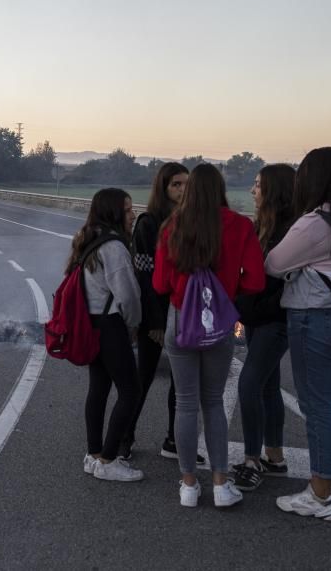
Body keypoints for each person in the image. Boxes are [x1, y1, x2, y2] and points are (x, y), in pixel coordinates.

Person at [265, 146, 331, 522]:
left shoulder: (315, 223)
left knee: (317, 406)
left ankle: (320, 493)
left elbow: (274, 264)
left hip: (315, 319)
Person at [153, 164, 265, 508]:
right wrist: (227, 290)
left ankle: (188, 485)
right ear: (220, 189)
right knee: (213, 402)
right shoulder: (240, 225)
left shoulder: (171, 226)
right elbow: (256, 282)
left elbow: (159, 284)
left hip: (179, 321)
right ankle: (220, 483)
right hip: (220, 321)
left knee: (185, 403)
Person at [123, 162, 204, 466]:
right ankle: (124, 438)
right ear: (163, 188)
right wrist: (154, 322)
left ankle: (173, 439)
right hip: (155, 314)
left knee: (182, 384)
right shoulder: (148, 224)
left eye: (186, 184)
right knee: (141, 378)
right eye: (176, 185)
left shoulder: (191, 222)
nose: (182, 190)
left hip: (184, 312)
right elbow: (144, 278)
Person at [231, 164, 296, 492]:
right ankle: (275, 457)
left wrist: (249, 309)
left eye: (258, 185)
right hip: (255, 320)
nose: (252, 191)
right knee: (269, 388)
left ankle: (252, 461)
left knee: (248, 385)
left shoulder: (290, 231)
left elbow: (284, 286)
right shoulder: (262, 227)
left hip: (274, 322)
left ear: (275, 190)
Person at [74, 188, 145, 482]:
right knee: (131, 391)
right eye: (128, 210)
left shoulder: (88, 239)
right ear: (115, 212)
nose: (133, 215)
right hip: (111, 324)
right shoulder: (114, 247)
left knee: (99, 388)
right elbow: (127, 296)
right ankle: (108, 459)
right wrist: (134, 326)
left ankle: (93, 454)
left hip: (91, 322)